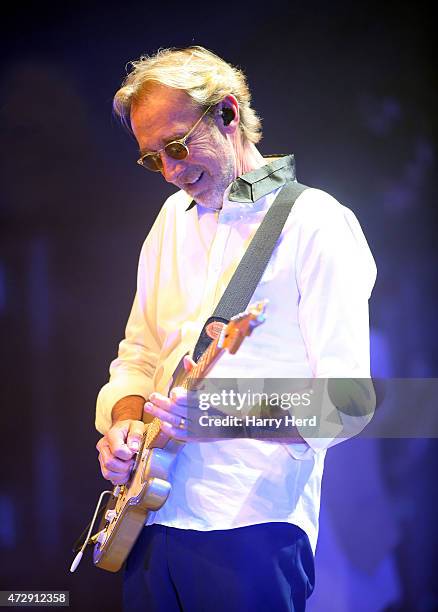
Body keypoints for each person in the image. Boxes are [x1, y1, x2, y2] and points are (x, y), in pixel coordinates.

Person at [95, 46, 377, 612]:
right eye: (154, 160)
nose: (173, 173)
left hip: (251, 525)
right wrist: (122, 426)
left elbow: (347, 404)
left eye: (177, 146)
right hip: (147, 518)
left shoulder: (317, 223)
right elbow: (139, 352)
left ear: (227, 112)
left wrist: (220, 416)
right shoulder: (169, 223)